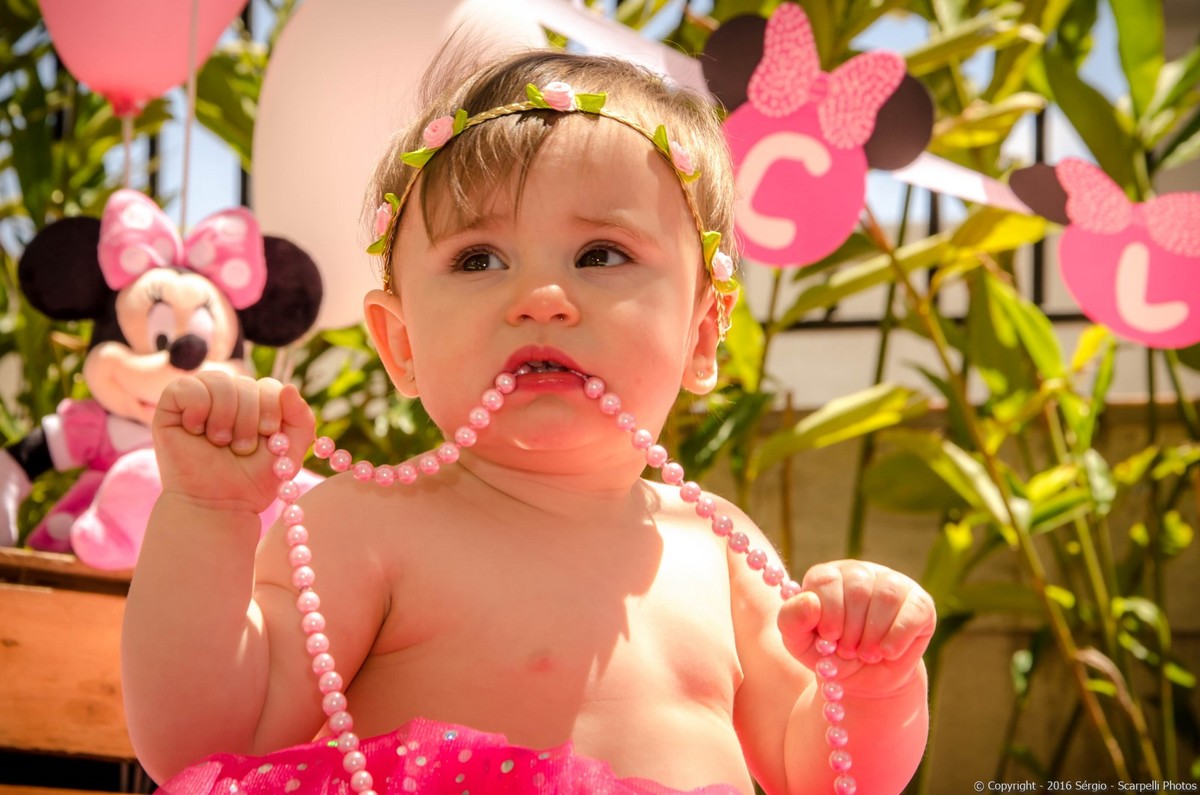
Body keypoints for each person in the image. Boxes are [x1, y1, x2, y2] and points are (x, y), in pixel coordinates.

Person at [122, 47, 936, 795]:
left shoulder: (721, 549)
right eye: (478, 259)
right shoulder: (364, 529)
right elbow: (206, 741)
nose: (541, 298)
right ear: (401, 343)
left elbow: (824, 773)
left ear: (701, 334)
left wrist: (873, 684)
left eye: (601, 255)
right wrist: (210, 514)